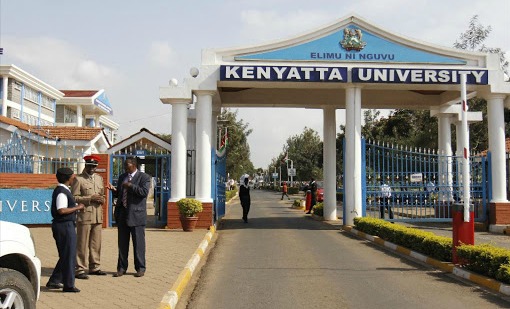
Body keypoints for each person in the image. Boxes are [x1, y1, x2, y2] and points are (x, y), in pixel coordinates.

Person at [108, 157, 151, 278]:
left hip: (137, 215)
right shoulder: (122, 177)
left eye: (127, 165)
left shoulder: (144, 177)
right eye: (124, 165)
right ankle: (121, 268)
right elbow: (121, 194)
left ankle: (140, 268)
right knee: (122, 244)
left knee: (138, 244)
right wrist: (114, 190)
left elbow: (143, 192)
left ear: (134, 165)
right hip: (123, 214)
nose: (125, 167)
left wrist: (130, 186)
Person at [46, 167, 85, 293]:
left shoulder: (64, 190)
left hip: (65, 225)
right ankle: (68, 285)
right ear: (69, 178)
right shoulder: (62, 192)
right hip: (64, 226)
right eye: (73, 176)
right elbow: (61, 210)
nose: (74, 178)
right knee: (69, 256)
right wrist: (77, 207)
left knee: (66, 254)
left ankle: (54, 280)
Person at [72, 155, 107, 280]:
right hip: (85, 215)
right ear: (85, 165)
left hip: (97, 215)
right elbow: (74, 197)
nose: (92, 169)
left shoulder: (99, 179)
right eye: (90, 166)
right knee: (82, 243)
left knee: (96, 243)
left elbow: (102, 194)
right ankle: (79, 268)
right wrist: (89, 198)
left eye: (94, 167)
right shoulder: (79, 179)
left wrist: (101, 199)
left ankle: (94, 267)